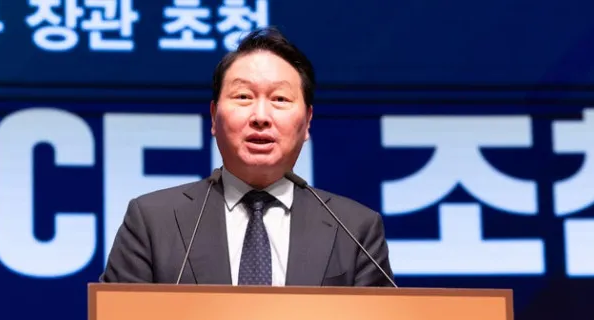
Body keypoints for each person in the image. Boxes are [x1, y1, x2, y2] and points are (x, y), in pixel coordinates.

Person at [100, 27, 395, 287]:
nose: (260, 116)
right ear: (214, 117)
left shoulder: (355, 229)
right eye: (243, 97)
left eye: (280, 99)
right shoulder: (152, 221)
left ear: (307, 122)